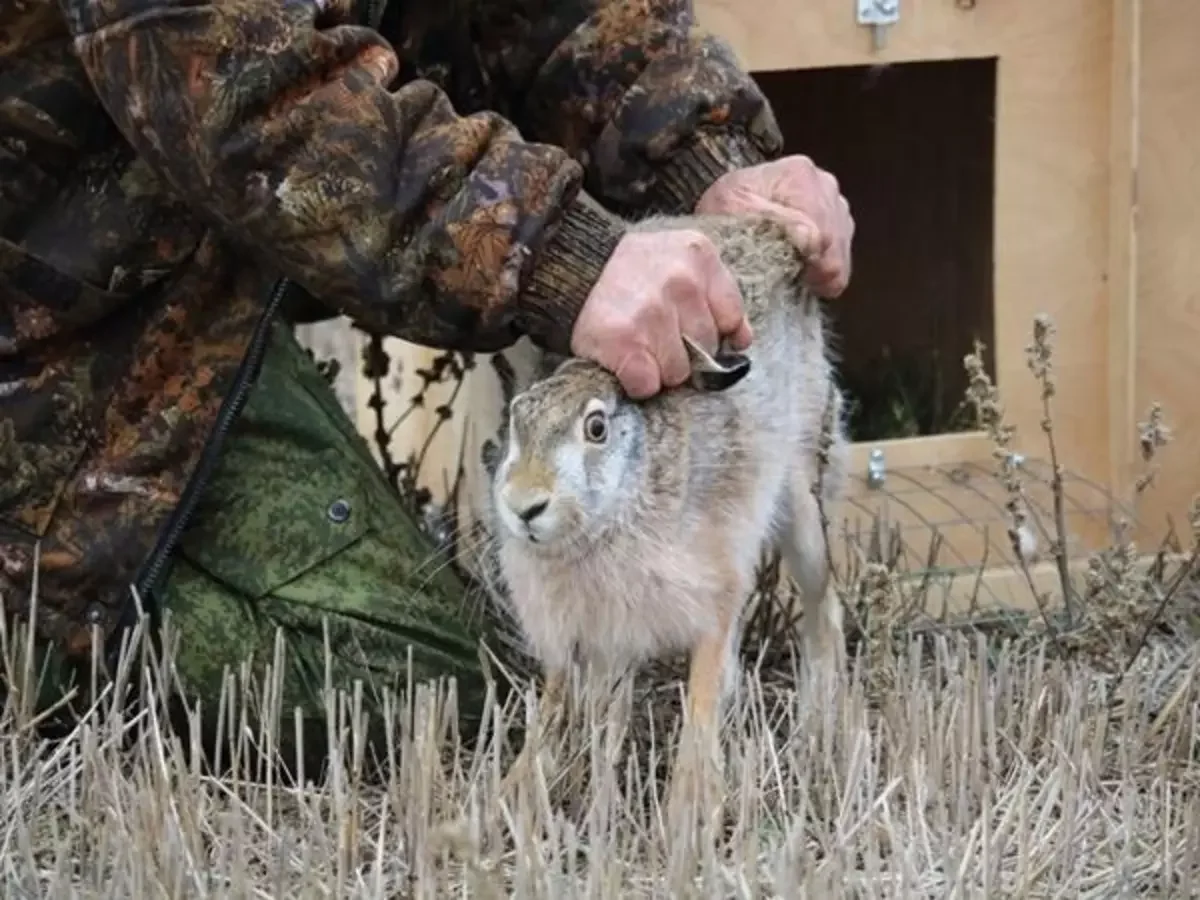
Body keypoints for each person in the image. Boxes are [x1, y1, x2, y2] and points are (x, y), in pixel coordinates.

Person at [0, 0, 853, 751]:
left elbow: (553, 16)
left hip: (208, 276)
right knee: (383, 695)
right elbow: (242, 89)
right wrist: (552, 253)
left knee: (439, 688)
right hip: (55, 330)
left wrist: (707, 164)